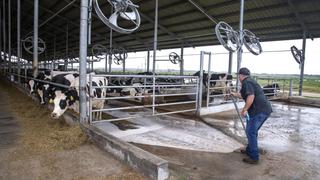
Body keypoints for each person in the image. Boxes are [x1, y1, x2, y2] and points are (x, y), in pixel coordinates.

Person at [231, 67, 273, 164]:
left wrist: (245, 109)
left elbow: (250, 96)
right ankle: (250, 150)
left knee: (250, 132)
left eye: (238, 75)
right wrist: (233, 94)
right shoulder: (250, 81)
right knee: (252, 131)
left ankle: (254, 157)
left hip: (259, 111)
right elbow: (243, 95)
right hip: (264, 110)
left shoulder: (247, 82)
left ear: (241, 75)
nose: (238, 77)